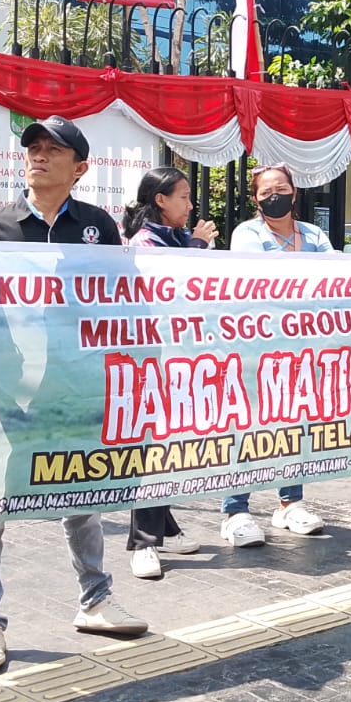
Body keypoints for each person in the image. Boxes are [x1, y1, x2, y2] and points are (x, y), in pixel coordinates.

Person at [0, 116, 150, 674]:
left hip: (70, 393)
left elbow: (124, 304)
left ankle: (96, 600)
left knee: (83, 502)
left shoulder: (97, 226)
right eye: (33, 148)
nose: (39, 156)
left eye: (54, 150)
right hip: (0, 394)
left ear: (80, 168)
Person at [223, 163, 329, 536]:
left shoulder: (315, 234)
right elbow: (261, 278)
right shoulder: (246, 234)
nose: (274, 196)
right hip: (256, 347)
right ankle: (236, 510)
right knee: (248, 426)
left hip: (303, 348)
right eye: (266, 192)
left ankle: (290, 503)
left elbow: (335, 280)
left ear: (294, 192)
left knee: (295, 422)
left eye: (281, 189)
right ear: (255, 199)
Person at [122, 167, 215, 573]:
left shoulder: (176, 238)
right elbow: (170, 283)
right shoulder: (146, 243)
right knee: (150, 450)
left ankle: (168, 529)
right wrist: (196, 245)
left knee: (166, 446)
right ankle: (143, 543)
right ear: (160, 200)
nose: (190, 205)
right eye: (183, 197)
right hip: (148, 361)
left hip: (176, 358)